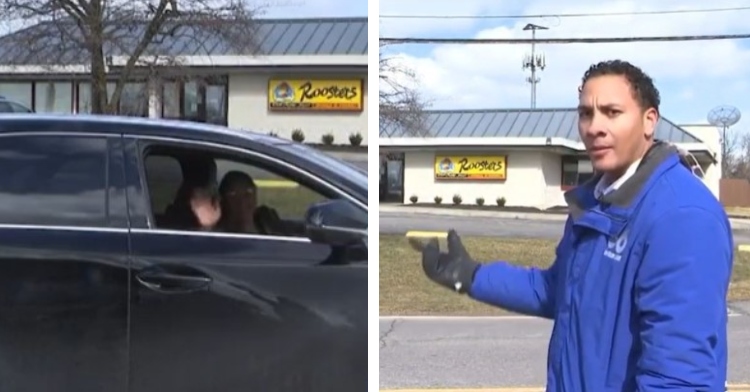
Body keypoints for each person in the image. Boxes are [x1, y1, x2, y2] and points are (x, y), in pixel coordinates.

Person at [412, 60, 733, 391]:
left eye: (612, 112)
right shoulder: (598, 200)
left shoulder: (682, 216)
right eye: (585, 114)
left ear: (649, 120)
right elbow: (556, 290)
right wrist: (471, 276)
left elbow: (679, 379)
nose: (594, 127)